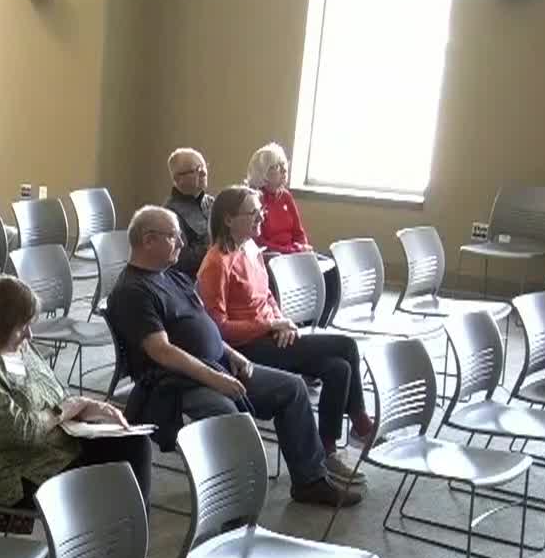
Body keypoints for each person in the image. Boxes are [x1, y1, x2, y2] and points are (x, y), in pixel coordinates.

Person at [106, 207, 361, 508]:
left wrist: (231, 353)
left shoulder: (171, 276)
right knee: (229, 413)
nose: (182, 244)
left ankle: (310, 480)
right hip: (177, 382)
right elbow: (163, 352)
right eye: (174, 237)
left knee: (293, 388)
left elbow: (203, 324)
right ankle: (232, 499)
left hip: (218, 364)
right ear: (149, 240)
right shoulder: (132, 292)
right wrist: (217, 379)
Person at [197, 186, 372, 480]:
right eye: (252, 213)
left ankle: (327, 450)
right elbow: (218, 329)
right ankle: (361, 423)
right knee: (346, 346)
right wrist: (270, 326)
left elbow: (267, 297)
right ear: (228, 219)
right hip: (247, 348)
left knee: (338, 369)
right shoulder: (216, 263)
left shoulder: (251, 248)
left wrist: (282, 321)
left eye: (259, 212)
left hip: (272, 337)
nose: (260, 219)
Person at [0, 276, 156, 515]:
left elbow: (56, 394)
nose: (29, 335)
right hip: (21, 470)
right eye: (21, 327)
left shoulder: (17, 347)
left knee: (135, 443)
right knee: (111, 486)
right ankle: (117, 538)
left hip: (62, 447)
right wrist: (63, 412)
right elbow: (20, 431)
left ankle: (131, 538)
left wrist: (87, 407)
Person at [247, 141, 339, 326]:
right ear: (262, 173)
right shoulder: (254, 199)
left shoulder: (286, 196)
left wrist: (302, 247)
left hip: (294, 252)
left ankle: (318, 324)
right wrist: (293, 250)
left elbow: (298, 231)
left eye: (284, 165)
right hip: (273, 257)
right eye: (276, 167)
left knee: (331, 270)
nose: (283, 170)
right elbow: (259, 241)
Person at [164, 148, 213, 276]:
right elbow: (182, 260)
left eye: (204, 167)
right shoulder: (170, 214)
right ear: (177, 179)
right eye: (196, 170)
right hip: (194, 281)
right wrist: (215, 247)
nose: (203, 173)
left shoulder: (211, 202)